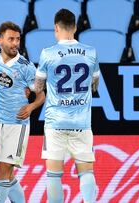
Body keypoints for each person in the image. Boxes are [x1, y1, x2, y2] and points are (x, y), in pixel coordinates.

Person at [34, 9, 100, 203]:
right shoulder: (91, 52)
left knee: (54, 174)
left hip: (55, 123)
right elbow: (95, 86)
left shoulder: (48, 53)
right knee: (86, 171)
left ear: (56, 27)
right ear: (76, 27)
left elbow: (38, 86)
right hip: (81, 122)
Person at [0, 22, 45, 202]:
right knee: (6, 175)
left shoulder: (27, 66)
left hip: (17, 125)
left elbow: (41, 95)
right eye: (10, 39)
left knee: (3, 171)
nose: (15, 43)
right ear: (0, 40)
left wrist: (31, 107)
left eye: (17, 39)